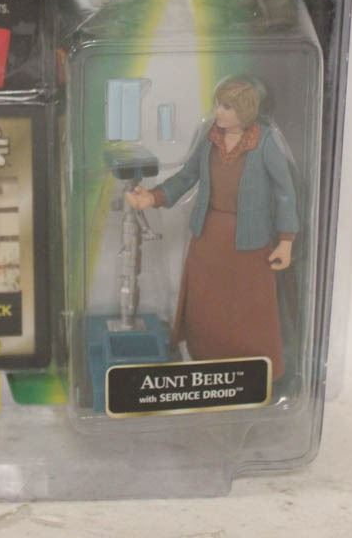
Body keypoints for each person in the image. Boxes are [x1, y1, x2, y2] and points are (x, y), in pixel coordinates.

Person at [126, 76, 298, 380]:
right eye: (218, 105)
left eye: (226, 107)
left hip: (251, 238)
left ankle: (256, 371)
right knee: (206, 300)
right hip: (209, 232)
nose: (218, 112)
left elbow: (285, 192)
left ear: (244, 110)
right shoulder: (211, 139)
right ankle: (204, 359)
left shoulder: (265, 142)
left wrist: (286, 240)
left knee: (250, 304)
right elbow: (186, 176)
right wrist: (152, 197)